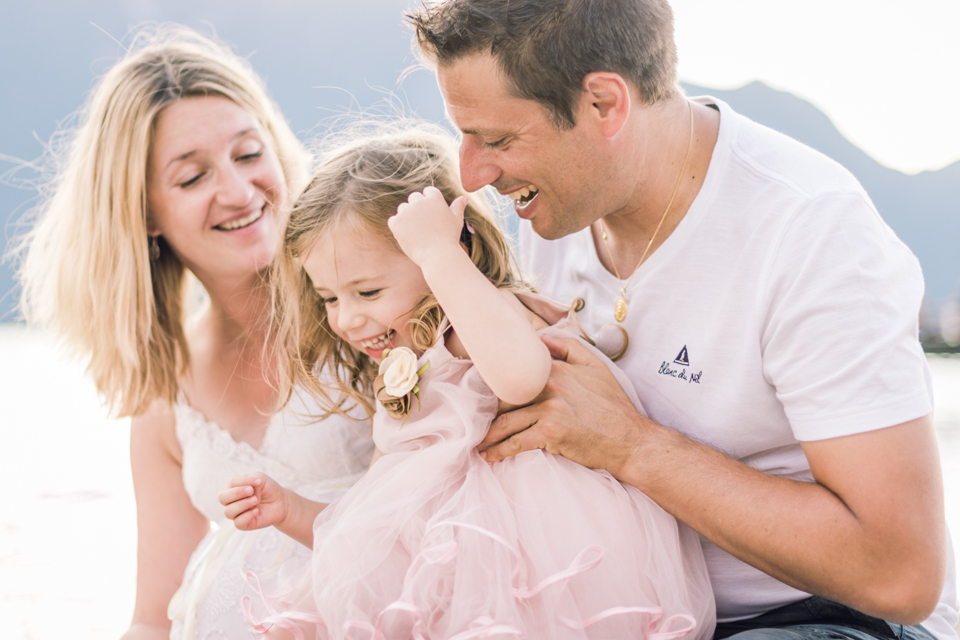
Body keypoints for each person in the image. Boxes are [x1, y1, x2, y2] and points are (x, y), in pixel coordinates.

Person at [406, 1, 959, 640]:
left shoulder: (810, 233)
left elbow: (901, 575)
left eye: (499, 140)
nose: (472, 174)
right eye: (466, 136)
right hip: (637, 611)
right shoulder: (559, 206)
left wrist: (629, 443)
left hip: (824, 620)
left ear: (606, 105)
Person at [219, 125, 716, 639]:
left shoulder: (480, 323)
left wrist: (439, 256)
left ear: (448, 251)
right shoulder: (404, 371)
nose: (344, 320)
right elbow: (372, 527)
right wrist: (290, 509)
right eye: (329, 298)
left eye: (367, 292)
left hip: (547, 564)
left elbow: (522, 379)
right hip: (454, 578)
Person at [17, 26, 373, 640]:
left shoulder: (368, 303)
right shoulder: (165, 393)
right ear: (145, 213)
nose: (237, 192)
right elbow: (154, 619)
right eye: (191, 177)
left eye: (248, 153)